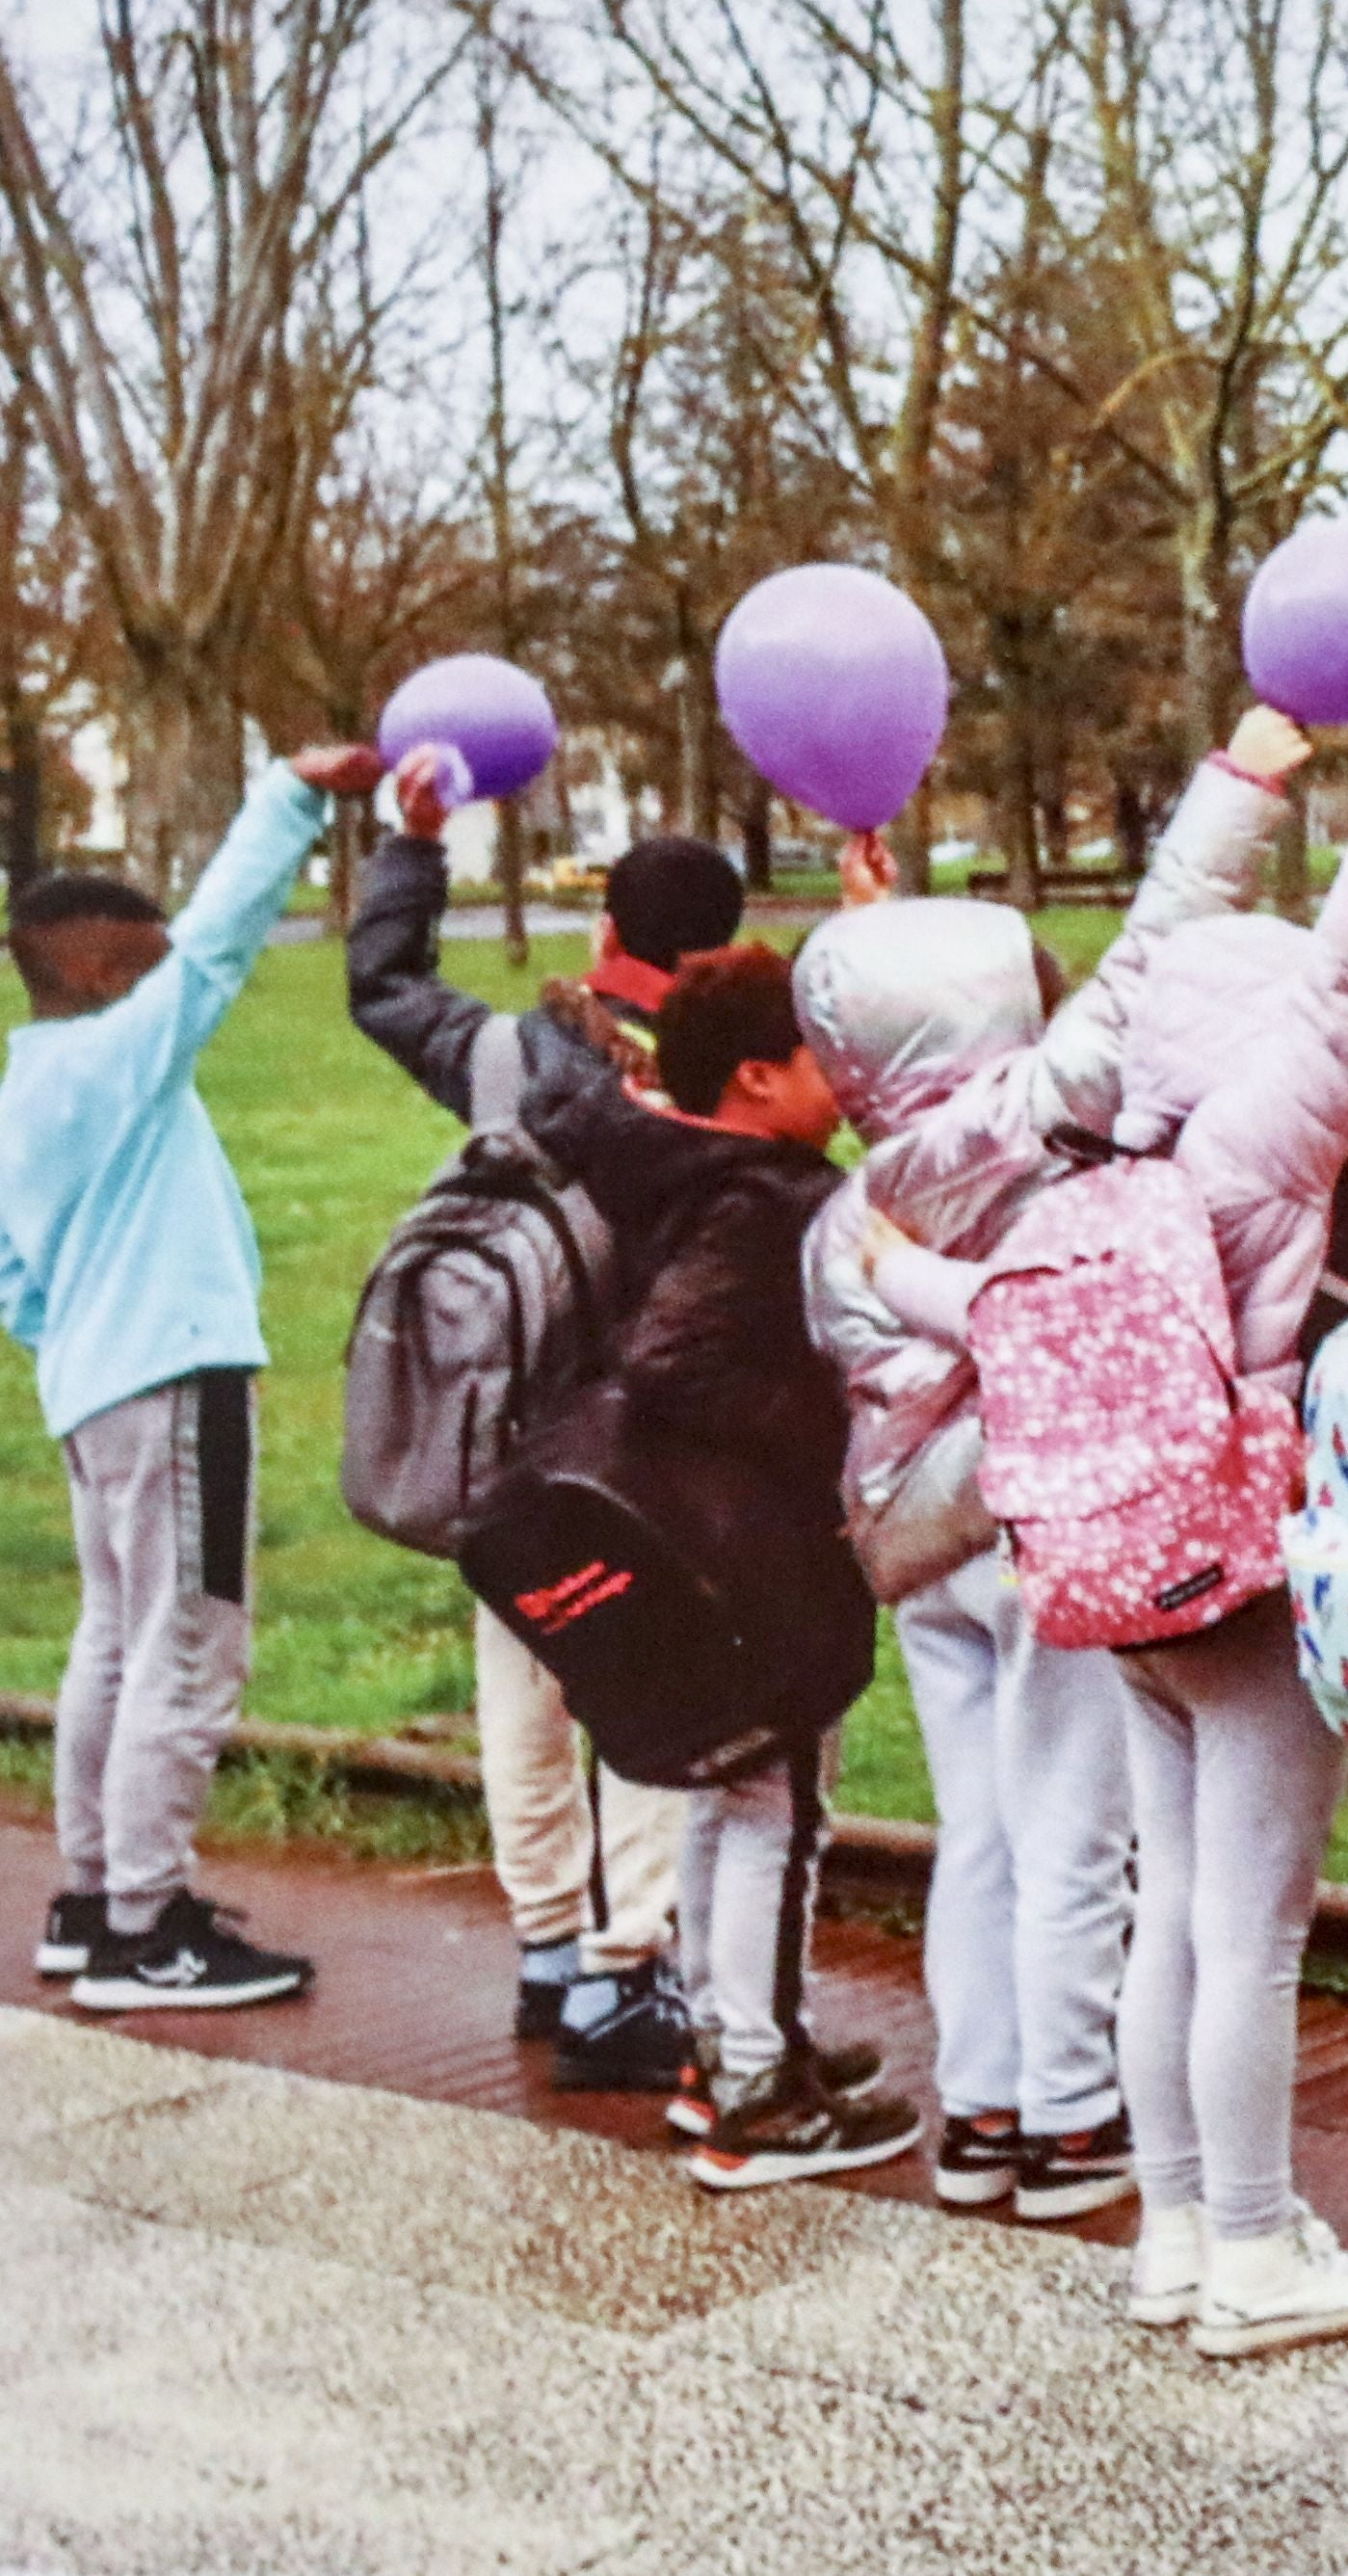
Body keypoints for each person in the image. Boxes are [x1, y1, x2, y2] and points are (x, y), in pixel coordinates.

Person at [864, 712, 1348, 2354]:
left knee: (1171, 1912)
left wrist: (1233, 794)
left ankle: (1179, 2236)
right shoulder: (1263, 1165)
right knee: (1248, 1937)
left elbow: (1134, 965)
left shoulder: (1089, 1172)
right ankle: (1257, 2253)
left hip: (1111, 1588)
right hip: (1246, 1586)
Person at [798, 708, 1311, 2227]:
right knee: (1079, 1827)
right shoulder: (1023, 1124)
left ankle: (984, 2102)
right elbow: (1156, 946)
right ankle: (1072, 2115)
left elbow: (891, 1042)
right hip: (1043, 1519)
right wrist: (1238, 785)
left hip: (913, 1546)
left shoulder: (856, 1198)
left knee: (986, 1826)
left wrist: (865, 933)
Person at [347, 753, 740, 2084]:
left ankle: (547, 1952)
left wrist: (413, 844)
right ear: (723, 944)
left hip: (489, 1418)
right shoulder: (705, 1073)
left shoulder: (512, 1054)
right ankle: (631, 1973)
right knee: (643, 1688)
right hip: (632, 1439)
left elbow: (383, 989)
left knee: (518, 1690)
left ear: (606, 931)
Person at [11, 741, 384, 2009]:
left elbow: (13, 1279)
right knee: (190, 1646)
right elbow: (225, 936)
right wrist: (293, 793)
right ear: (105, 963)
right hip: (174, 1381)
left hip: (92, 1389)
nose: (175, 950)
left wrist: (72, 1347)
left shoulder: (27, 1086)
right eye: (147, 941)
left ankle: (92, 1897)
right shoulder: (123, 1059)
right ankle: (146, 1926)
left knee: (114, 1639)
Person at [519, 943, 897, 2187]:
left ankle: (727, 2041)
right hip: (756, 1550)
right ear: (753, 1076)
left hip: (704, 1547)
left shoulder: (680, 1162)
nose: (840, 1075)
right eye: (815, 1053)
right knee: (777, 1810)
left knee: (727, 1799)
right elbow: (680, 1360)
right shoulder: (760, 1199)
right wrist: (822, 1442)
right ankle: (756, 2092)